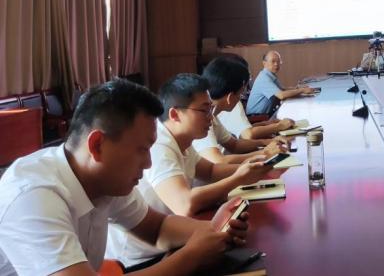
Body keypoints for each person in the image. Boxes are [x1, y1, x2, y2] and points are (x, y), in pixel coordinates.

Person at [0, 79, 249, 275]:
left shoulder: (105, 179)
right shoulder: (33, 195)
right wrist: (190, 257)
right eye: (141, 150)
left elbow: (158, 229)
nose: (149, 162)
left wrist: (216, 229)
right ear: (97, 145)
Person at [107, 74, 273, 268]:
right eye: (204, 110)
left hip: (169, 242)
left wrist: (217, 227)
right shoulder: (159, 144)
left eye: (211, 109)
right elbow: (184, 204)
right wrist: (238, 178)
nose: (211, 116)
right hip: (142, 260)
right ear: (175, 114)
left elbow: (210, 171)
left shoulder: (182, 141)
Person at [195, 56, 289, 164]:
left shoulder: (212, 115)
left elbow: (235, 145)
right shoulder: (202, 119)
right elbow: (218, 161)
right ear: (230, 97)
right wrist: (265, 153)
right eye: (240, 94)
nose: (241, 97)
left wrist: (267, 142)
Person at [246, 51, 316, 115]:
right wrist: (301, 90)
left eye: (278, 61)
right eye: (273, 61)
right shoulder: (264, 78)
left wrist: (297, 88)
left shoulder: (269, 75)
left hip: (264, 115)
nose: (276, 64)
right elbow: (281, 95)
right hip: (256, 118)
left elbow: (282, 89)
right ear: (264, 63)